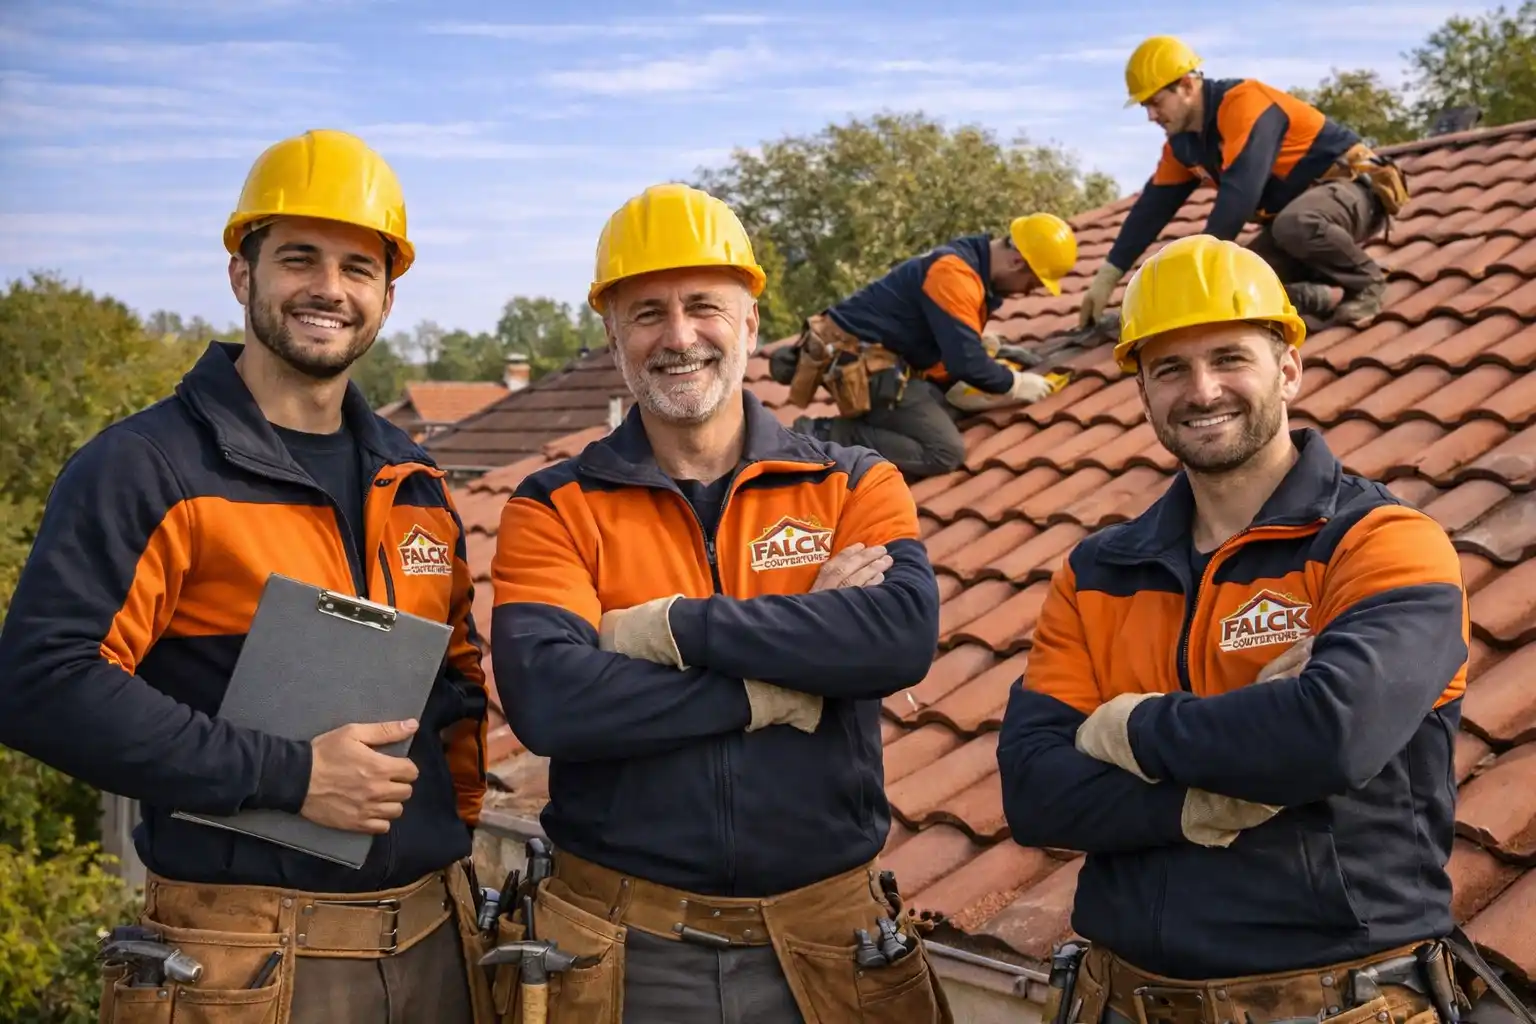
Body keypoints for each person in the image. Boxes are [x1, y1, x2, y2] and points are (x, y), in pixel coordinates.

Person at [0, 129, 494, 1024]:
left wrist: (450, 842)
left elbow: (456, 688)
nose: (329, 289)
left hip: (433, 942)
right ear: (243, 275)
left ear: (386, 294)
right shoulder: (149, 467)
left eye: (358, 267)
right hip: (243, 963)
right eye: (299, 258)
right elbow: (41, 685)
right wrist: (291, 775)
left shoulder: (414, 480)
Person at [997, 233, 1502, 1020]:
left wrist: (1125, 728)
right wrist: (1201, 800)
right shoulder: (1096, 572)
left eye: (1230, 358)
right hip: (1124, 1000)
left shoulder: (1384, 543)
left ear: (1289, 369)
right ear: (1141, 389)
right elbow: (1034, 795)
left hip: (1335, 1003)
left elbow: (1329, 736)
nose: (1202, 391)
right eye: (1169, 368)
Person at [487, 182, 953, 1024]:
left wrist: (664, 629)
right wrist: (783, 681)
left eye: (704, 305)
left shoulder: (850, 481)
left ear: (747, 320)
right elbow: (552, 704)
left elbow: (895, 640)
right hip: (622, 951)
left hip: (831, 946)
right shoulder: (554, 505)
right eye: (646, 313)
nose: (679, 337)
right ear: (612, 335)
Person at [1079, 36, 1409, 332]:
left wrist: (1197, 274)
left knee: (1294, 225)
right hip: (1299, 224)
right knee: (1240, 284)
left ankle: (1367, 284)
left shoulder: (1245, 102)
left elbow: (1240, 195)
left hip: (1357, 194)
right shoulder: (1182, 145)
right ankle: (1312, 295)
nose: (1151, 115)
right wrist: (1109, 274)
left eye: (1155, 102)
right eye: (1145, 106)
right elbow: (1151, 209)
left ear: (1187, 85)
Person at [776, 213, 1077, 480]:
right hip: (862, 364)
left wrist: (973, 342)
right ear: (1017, 262)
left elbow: (945, 339)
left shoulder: (970, 262)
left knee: (948, 408)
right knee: (944, 451)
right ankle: (817, 437)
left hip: (888, 358)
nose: (1027, 292)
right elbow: (967, 364)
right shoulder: (955, 274)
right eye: (1032, 283)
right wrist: (1014, 383)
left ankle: (872, 424)